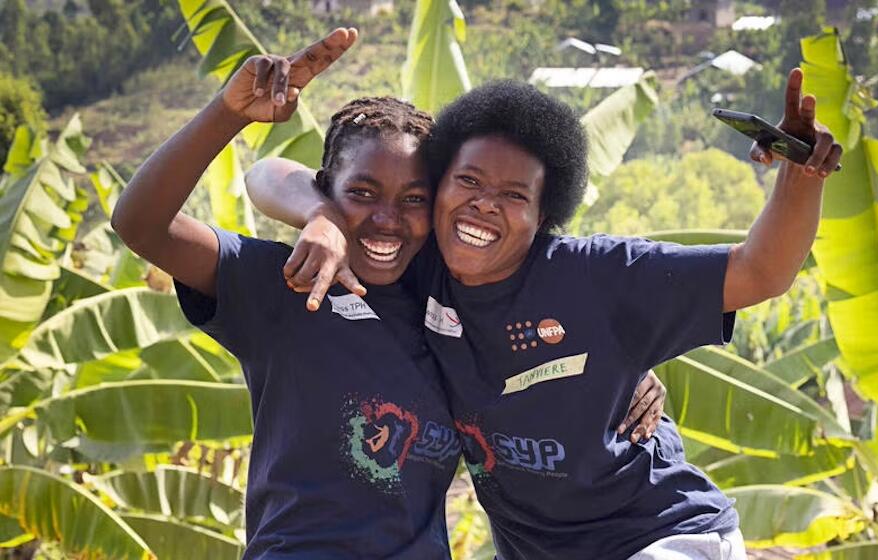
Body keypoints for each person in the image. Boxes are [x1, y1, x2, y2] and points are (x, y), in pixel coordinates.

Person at [112, 29, 667, 558]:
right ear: (326, 186)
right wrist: (232, 121)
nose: (386, 220)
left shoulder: (453, 310)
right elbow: (141, 223)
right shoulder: (285, 284)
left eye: (413, 199)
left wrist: (618, 368)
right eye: (362, 193)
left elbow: (548, 346)